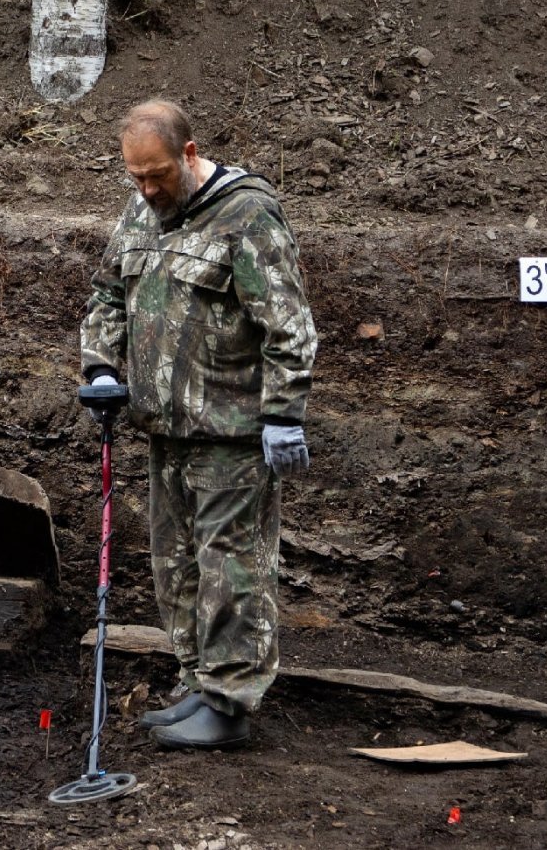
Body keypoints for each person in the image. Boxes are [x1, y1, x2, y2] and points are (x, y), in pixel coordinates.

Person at [80, 99, 317, 750]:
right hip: (165, 428)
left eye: (157, 175)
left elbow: (288, 326)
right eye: (135, 176)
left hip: (232, 432)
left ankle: (231, 702)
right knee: (177, 564)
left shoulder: (247, 214)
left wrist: (282, 414)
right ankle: (199, 680)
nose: (147, 189)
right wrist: (101, 366)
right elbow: (107, 293)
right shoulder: (140, 212)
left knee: (230, 569)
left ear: (188, 155)